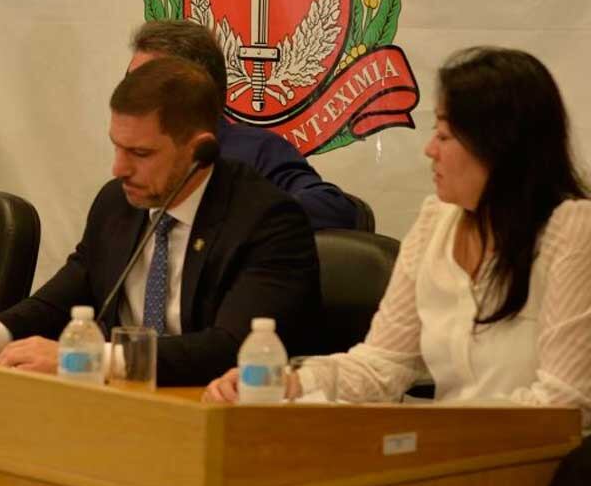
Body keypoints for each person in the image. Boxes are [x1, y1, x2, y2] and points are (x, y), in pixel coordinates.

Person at [203, 47, 591, 435]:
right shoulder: (435, 221)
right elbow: (381, 365)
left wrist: (435, 428)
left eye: (444, 135)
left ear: (499, 146)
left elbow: (563, 402)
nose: (430, 150)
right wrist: (285, 382)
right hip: (450, 451)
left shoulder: (573, 230)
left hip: (536, 458)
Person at [0, 56, 320, 386]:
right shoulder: (118, 202)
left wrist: (89, 359)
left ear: (200, 150)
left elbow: (230, 349)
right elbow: (66, 297)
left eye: (140, 153)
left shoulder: (266, 221)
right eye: (116, 146)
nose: (119, 169)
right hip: (120, 403)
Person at [128, 20, 358, 230]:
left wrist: (239, 215)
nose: (128, 95)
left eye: (143, 85)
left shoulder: (256, 151)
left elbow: (333, 207)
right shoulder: (129, 174)